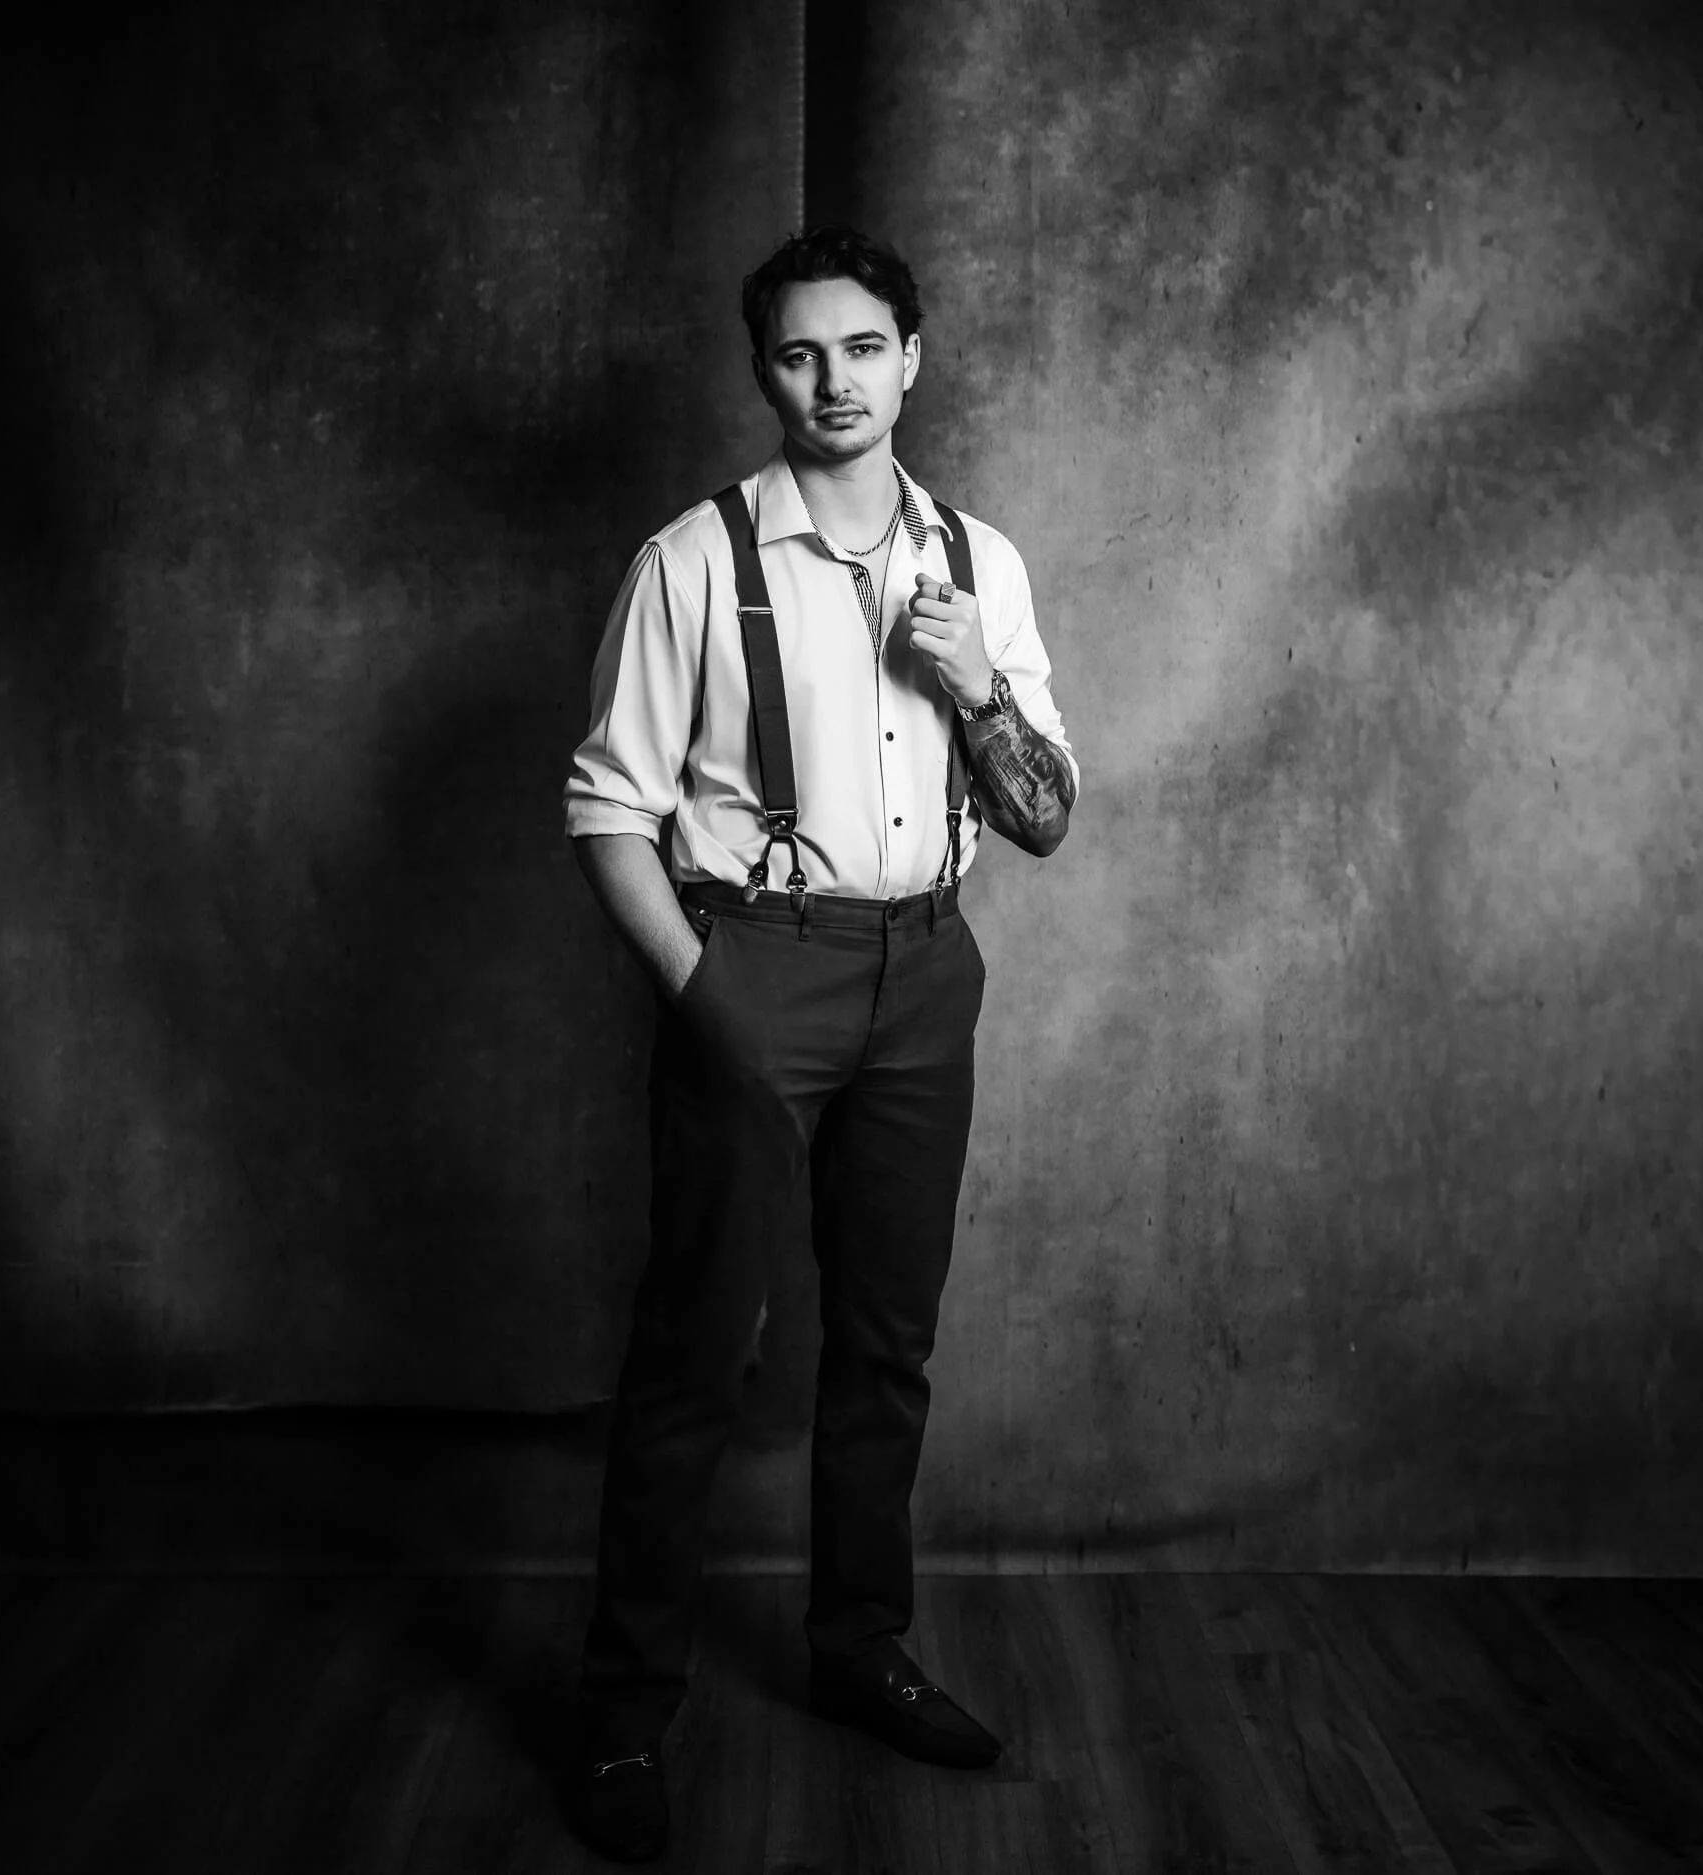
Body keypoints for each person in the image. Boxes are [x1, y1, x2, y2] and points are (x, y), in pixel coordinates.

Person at [560, 224, 1079, 1862]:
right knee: (694, 1358)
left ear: (911, 358)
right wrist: (704, 997)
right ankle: (626, 1719)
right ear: (764, 373)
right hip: (753, 967)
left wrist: (974, 682)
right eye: (799, 354)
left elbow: (1049, 816)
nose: (834, 381)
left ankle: (858, 1647)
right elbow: (606, 808)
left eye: (863, 348)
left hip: (926, 970)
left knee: (884, 1347)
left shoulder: (981, 563)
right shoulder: (694, 561)